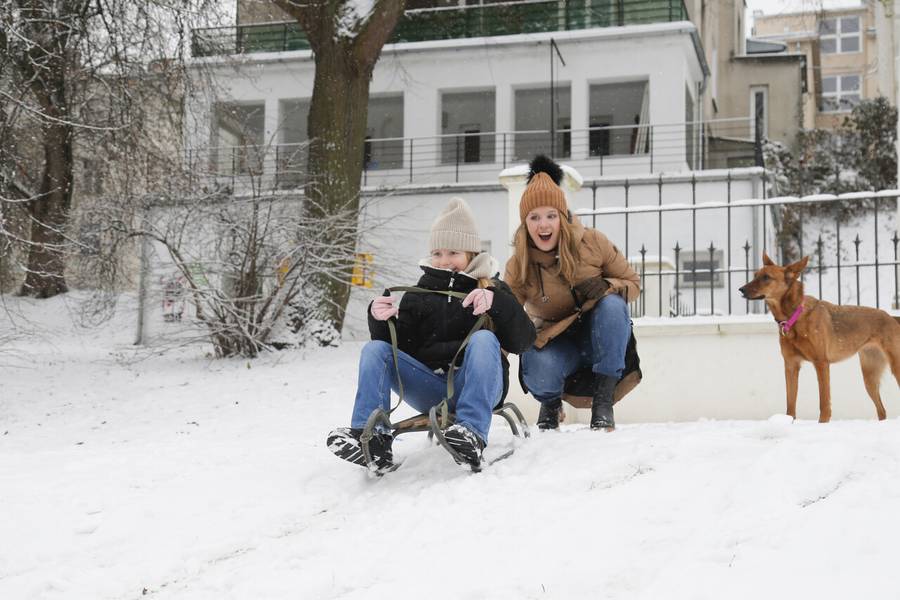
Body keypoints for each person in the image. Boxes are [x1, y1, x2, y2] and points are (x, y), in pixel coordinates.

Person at [327, 197, 536, 471]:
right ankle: (371, 439)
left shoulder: (493, 289)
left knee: (483, 339)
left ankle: (471, 433)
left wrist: (497, 304)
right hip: (430, 388)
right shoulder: (418, 294)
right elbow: (403, 348)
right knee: (374, 349)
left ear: (471, 254)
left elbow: (523, 341)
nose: (444, 261)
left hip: (479, 386)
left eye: (453, 253)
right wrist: (380, 320)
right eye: (437, 253)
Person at [504, 155, 640, 431]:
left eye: (551, 216)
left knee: (614, 305)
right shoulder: (519, 263)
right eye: (535, 217)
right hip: (555, 342)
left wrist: (608, 286)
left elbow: (633, 283)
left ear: (562, 218)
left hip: (597, 336)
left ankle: (603, 402)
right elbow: (506, 317)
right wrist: (491, 357)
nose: (544, 225)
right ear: (525, 223)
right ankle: (551, 403)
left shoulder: (591, 242)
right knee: (534, 362)